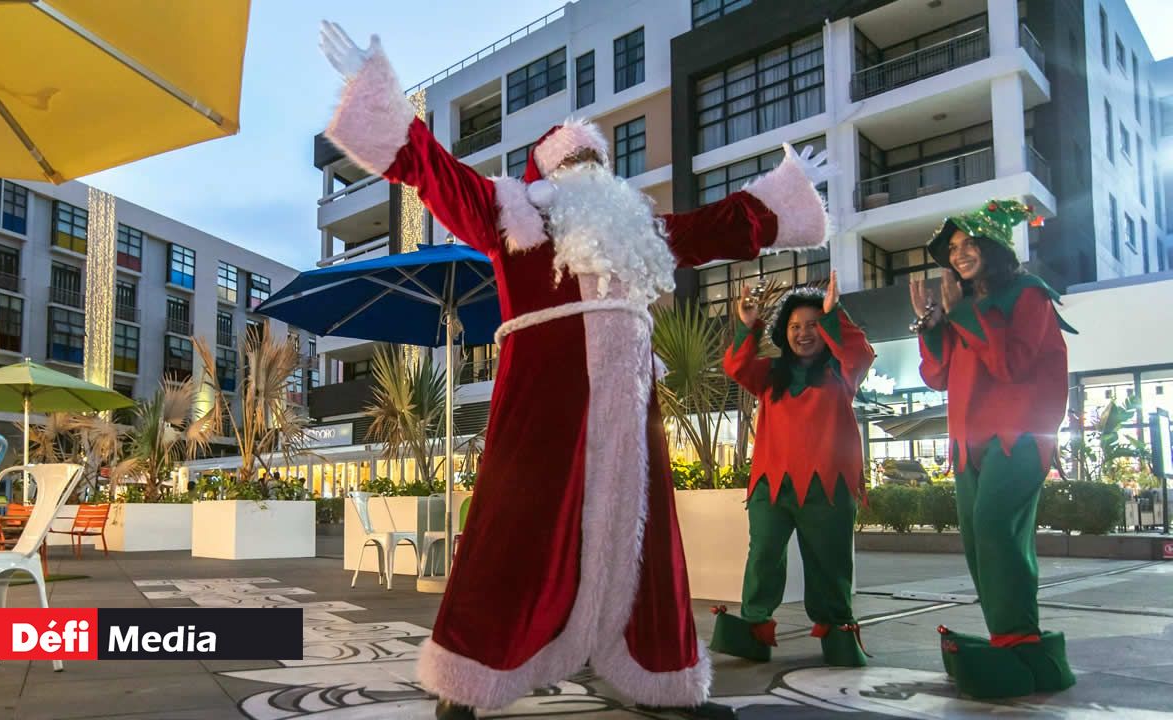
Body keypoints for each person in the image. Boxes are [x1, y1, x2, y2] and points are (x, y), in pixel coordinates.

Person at [317, 22, 833, 720]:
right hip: (543, 407)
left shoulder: (637, 227)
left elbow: (716, 226)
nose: (586, 170)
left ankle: (664, 678)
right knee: (514, 530)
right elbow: (436, 172)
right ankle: (469, 679)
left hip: (630, 407)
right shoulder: (510, 214)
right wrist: (377, 94)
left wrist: (782, 203)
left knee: (646, 544)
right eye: (572, 160)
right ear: (544, 176)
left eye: (594, 160)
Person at [908, 199, 1077, 699]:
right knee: (978, 538)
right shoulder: (963, 306)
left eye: (969, 244)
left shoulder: (1029, 294)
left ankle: (1019, 639)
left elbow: (1011, 364)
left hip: (1019, 436)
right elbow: (937, 375)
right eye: (953, 248)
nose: (958, 254)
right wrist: (931, 327)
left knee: (996, 527)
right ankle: (1009, 636)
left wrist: (963, 313)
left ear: (993, 246)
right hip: (968, 442)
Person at [715, 271, 874, 667]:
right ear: (784, 332)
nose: (804, 333)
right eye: (795, 326)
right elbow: (736, 366)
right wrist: (747, 327)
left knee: (829, 561)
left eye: (813, 325)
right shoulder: (771, 374)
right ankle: (755, 627)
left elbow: (860, 354)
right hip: (772, 484)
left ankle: (837, 629)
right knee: (763, 554)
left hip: (829, 485)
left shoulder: (841, 371)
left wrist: (834, 314)